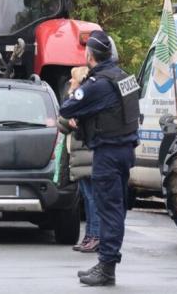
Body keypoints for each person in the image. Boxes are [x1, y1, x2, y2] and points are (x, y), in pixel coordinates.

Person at [59, 30, 140, 287]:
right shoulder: (125, 78)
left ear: (90, 55)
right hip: (125, 149)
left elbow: (67, 108)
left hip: (108, 150)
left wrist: (77, 90)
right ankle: (106, 264)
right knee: (114, 208)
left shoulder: (99, 84)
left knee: (109, 209)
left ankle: (106, 267)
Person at [58, 66, 100, 253]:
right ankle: (90, 236)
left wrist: (71, 122)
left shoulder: (83, 100)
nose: (70, 82)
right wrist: (68, 122)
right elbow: (62, 121)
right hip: (78, 157)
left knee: (92, 199)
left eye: (72, 79)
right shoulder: (74, 100)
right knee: (87, 197)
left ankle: (94, 236)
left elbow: (68, 122)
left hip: (86, 157)